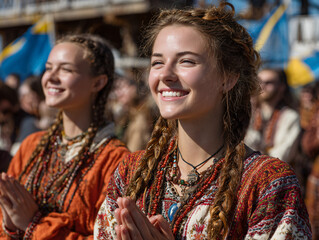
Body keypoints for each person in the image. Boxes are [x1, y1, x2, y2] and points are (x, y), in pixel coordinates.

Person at [94, 2, 311, 240]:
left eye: (186, 61)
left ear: (227, 78)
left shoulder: (268, 183)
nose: (165, 74)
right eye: (157, 62)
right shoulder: (131, 172)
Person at [0, 33, 129, 239]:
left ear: (98, 83)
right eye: (49, 68)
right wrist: (10, 227)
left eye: (66, 69)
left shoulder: (115, 160)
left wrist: (35, 225)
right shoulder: (32, 146)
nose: (50, 77)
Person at [245, 68, 301, 163]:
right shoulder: (248, 113)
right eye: (259, 81)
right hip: (246, 171)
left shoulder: (290, 117)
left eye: (268, 82)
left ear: (281, 87)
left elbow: (283, 154)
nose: (262, 86)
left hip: (275, 171)